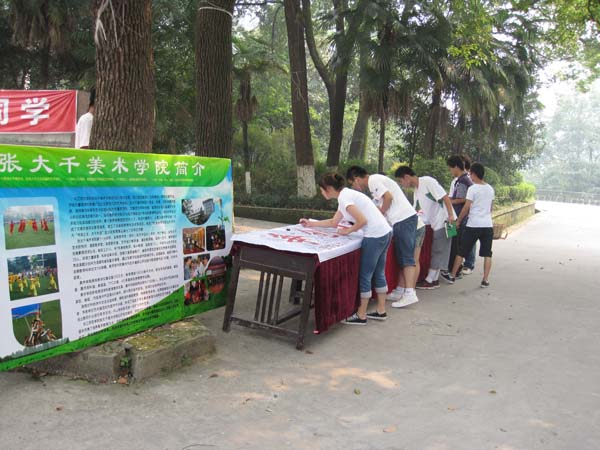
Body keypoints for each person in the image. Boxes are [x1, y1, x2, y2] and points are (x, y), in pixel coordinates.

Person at [300, 173, 392, 325]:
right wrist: (311, 223)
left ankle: (361, 315)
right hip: (385, 232)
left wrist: (348, 231)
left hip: (374, 236)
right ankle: (381, 310)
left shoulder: (344, 198)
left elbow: (362, 220)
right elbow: (334, 222)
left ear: (329, 188)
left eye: (322, 190)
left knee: (365, 275)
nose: (321, 193)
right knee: (379, 272)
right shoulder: (346, 195)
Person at [346, 166, 419, 308]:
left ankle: (410, 293)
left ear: (356, 179)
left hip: (403, 219)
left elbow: (388, 197)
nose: (354, 187)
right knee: (402, 257)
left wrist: (380, 214)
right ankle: (401, 291)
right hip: (400, 220)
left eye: (352, 183)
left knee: (406, 258)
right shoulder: (374, 183)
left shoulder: (373, 180)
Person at [395, 166, 455, 290]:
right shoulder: (417, 191)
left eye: (401, 181)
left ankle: (430, 280)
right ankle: (434, 279)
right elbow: (417, 209)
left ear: (406, 177)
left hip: (445, 220)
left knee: (439, 249)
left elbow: (445, 197)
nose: (402, 184)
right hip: (437, 221)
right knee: (441, 249)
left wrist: (450, 216)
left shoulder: (427, 181)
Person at [442, 163, 495, 288]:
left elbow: (466, 207)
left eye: (470, 173)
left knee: (462, 251)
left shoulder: (473, 188)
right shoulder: (490, 188)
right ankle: (485, 280)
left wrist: (458, 221)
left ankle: (452, 276)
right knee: (487, 254)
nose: (470, 176)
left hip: (473, 225)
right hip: (487, 225)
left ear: (475, 174)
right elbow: (491, 208)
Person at [445, 155, 473, 277]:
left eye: (450, 168)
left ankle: (454, 270)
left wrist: (447, 201)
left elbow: (462, 199)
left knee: (454, 244)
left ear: (456, 167)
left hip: (457, 216)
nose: (450, 171)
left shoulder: (463, 181)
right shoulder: (462, 179)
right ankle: (453, 268)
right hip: (456, 215)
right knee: (454, 242)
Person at [461, 155, 476, 275]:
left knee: (469, 239)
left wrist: (451, 200)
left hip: (467, 214)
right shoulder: (457, 179)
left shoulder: (468, 180)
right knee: (460, 239)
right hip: (457, 212)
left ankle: (469, 263)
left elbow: (466, 200)